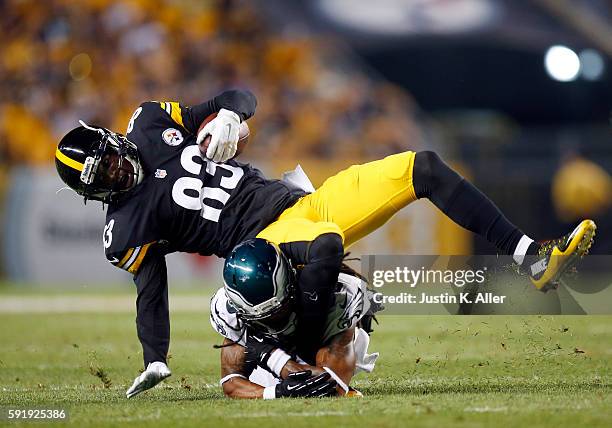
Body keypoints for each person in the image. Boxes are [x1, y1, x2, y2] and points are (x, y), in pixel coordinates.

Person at [54, 89, 596, 398]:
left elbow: (240, 95)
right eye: (103, 174)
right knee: (327, 248)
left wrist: (230, 114)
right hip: (263, 242)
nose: (118, 171)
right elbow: (150, 289)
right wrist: (155, 357)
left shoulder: (150, 122)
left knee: (422, 167)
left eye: (112, 156)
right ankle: (313, 361)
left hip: (297, 200)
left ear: (114, 140)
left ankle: (532, 256)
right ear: (90, 190)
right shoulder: (124, 227)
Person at [210, 238, 381, 399]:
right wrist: (276, 392)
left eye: (278, 311)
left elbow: (333, 385)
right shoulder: (230, 310)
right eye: (263, 318)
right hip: (281, 350)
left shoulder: (339, 297)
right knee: (268, 382)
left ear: (291, 285)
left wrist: (271, 356)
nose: (273, 322)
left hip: (320, 335)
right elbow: (231, 383)